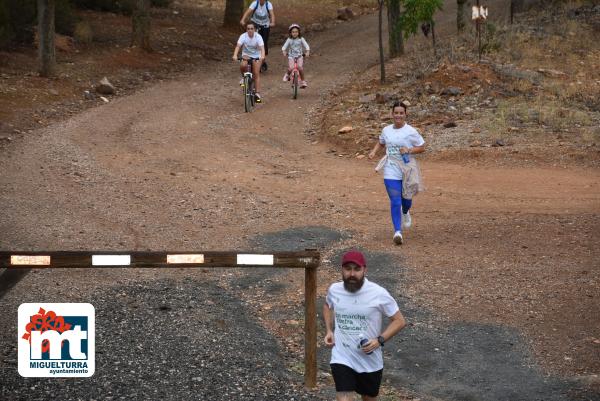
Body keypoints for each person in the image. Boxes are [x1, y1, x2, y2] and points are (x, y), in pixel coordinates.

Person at [323, 250, 406, 401]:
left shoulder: (378, 293)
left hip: (369, 360)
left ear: (365, 270)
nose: (352, 274)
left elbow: (399, 321)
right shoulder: (335, 289)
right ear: (342, 270)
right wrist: (329, 330)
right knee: (343, 397)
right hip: (342, 356)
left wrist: (379, 340)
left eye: (357, 269)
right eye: (348, 269)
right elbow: (327, 305)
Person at [368, 101, 425, 245]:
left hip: (407, 169)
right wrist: (374, 151)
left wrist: (409, 150)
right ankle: (397, 232)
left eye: (401, 113)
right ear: (392, 114)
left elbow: (422, 147)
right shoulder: (386, 130)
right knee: (395, 201)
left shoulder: (411, 131)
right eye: (396, 113)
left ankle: (406, 212)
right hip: (390, 168)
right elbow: (381, 142)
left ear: (405, 114)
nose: (398, 115)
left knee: (406, 200)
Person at [232, 22, 265, 103]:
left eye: (251, 28)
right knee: (243, 65)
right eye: (248, 29)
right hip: (246, 55)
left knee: (256, 72)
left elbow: (262, 48)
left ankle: (257, 93)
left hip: (256, 55)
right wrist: (235, 55)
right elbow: (238, 46)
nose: (250, 30)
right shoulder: (243, 36)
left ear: (255, 29)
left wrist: (262, 56)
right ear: (246, 30)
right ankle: (244, 78)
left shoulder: (258, 37)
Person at [240, 0, 275, 73]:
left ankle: (262, 60)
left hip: (265, 25)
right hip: (255, 24)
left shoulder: (268, 4)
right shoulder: (255, 3)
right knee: (253, 40)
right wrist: (243, 20)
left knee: (263, 43)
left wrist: (272, 22)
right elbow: (248, 12)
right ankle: (250, 57)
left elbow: (271, 14)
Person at [281, 23, 310, 88]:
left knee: (300, 67)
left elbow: (306, 45)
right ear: (290, 33)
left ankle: (303, 81)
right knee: (291, 67)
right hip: (291, 56)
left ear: (299, 32)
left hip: (299, 56)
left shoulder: (301, 39)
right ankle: (287, 75)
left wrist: (307, 51)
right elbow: (284, 46)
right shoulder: (289, 39)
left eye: (296, 32)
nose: (295, 33)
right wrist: (284, 51)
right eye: (293, 32)